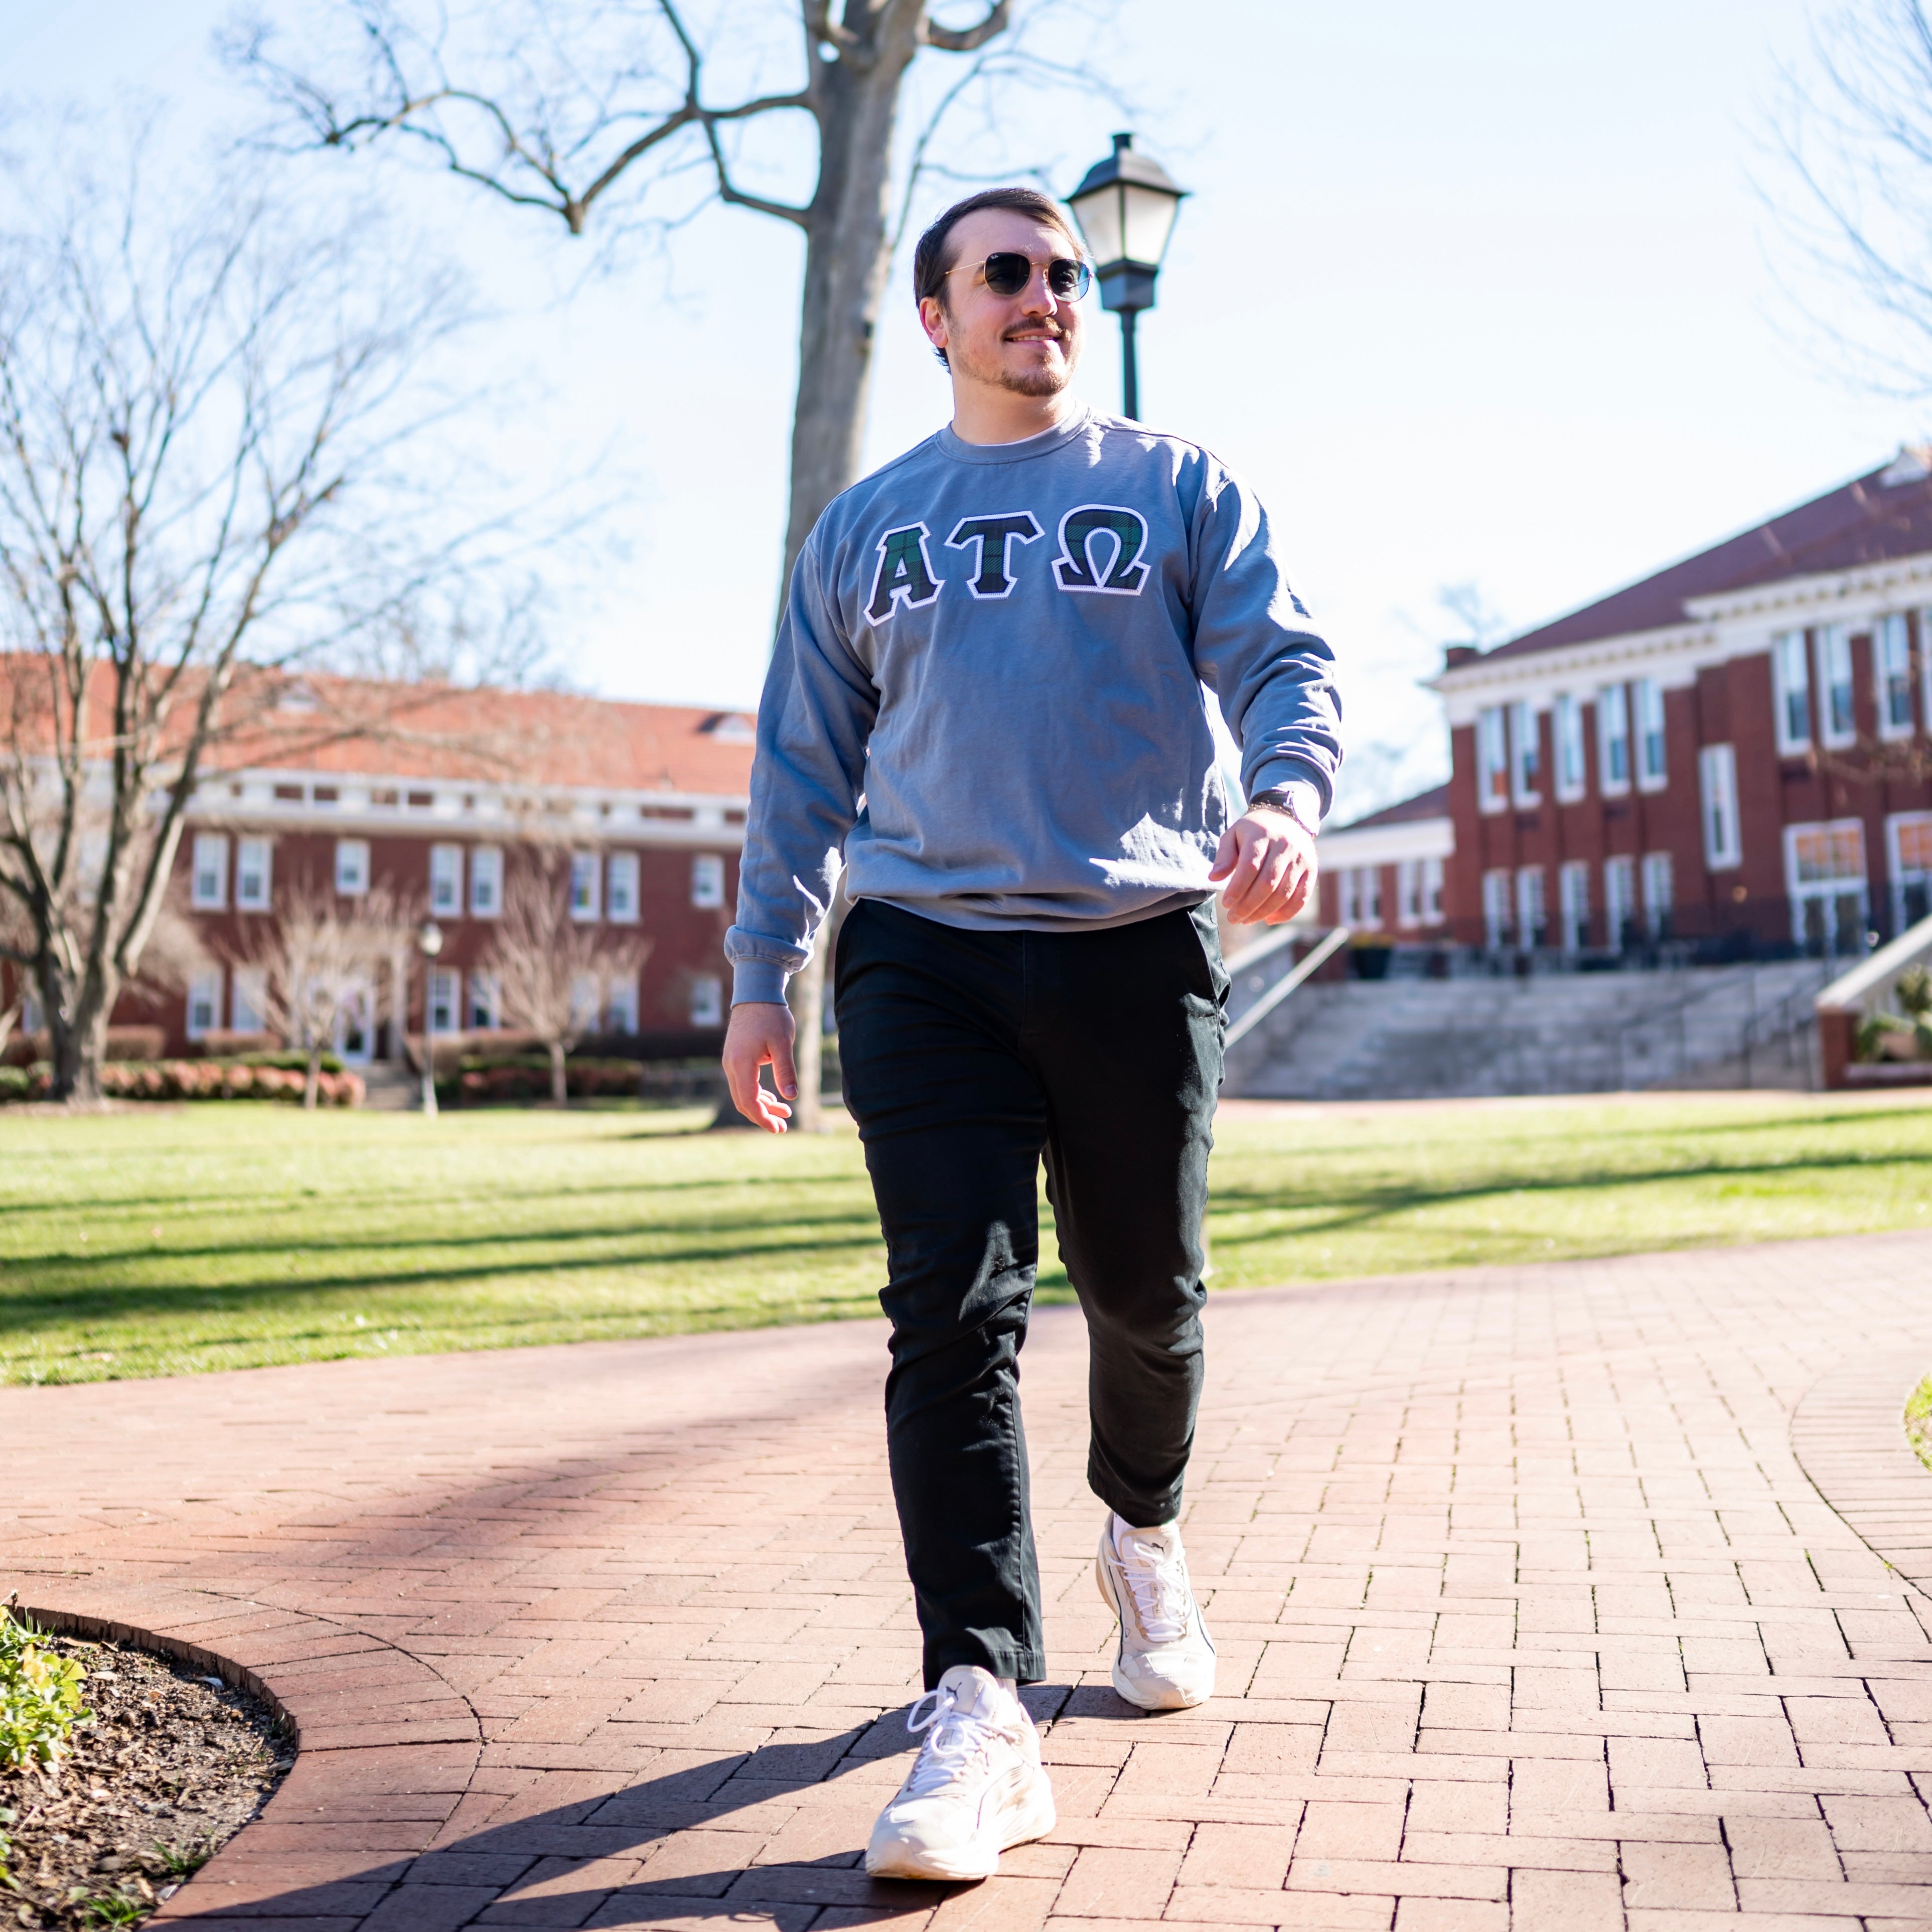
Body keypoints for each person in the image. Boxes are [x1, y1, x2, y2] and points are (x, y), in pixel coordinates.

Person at [721, 184, 1341, 1884]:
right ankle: (978, 1702)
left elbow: (1287, 663)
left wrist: (1284, 798)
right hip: (923, 959)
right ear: (938, 316)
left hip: (1138, 944)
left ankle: (1142, 1530)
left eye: (1064, 272)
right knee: (954, 1306)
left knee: (1146, 1293)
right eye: (1006, 272)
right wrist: (761, 964)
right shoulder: (864, 527)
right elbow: (799, 769)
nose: (1044, 295)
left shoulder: (1176, 489)